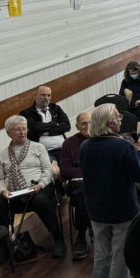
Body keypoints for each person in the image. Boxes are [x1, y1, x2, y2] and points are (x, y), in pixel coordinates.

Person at [80, 103, 140, 278]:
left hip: (95, 208)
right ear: (110, 123)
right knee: (120, 253)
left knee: (101, 250)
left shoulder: (85, 146)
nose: (121, 121)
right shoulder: (123, 145)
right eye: (118, 118)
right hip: (122, 209)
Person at [0, 114, 64, 264]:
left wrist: (40, 185)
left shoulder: (38, 147)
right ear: (9, 133)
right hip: (13, 192)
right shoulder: (2, 156)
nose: (22, 132)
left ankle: (58, 239)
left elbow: (48, 170)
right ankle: (2, 245)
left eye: (24, 129)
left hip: (38, 188)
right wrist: (3, 190)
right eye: (18, 130)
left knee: (40, 200)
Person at [57, 110, 93, 260]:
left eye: (90, 122)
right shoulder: (69, 143)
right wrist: (88, 172)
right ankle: (85, 233)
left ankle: (84, 233)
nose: (87, 126)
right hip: (77, 184)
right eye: (84, 123)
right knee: (82, 190)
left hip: (100, 183)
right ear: (77, 126)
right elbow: (65, 170)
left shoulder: (101, 139)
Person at [20, 85, 70, 163]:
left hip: (63, 148)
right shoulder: (26, 113)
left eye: (48, 95)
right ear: (35, 96)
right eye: (43, 95)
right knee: (55, 170)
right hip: (42, 152)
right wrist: (54, 124)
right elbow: (34, 129)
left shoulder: (56, 108)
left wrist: (49, 132)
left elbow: (66, 126)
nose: (46, 98)